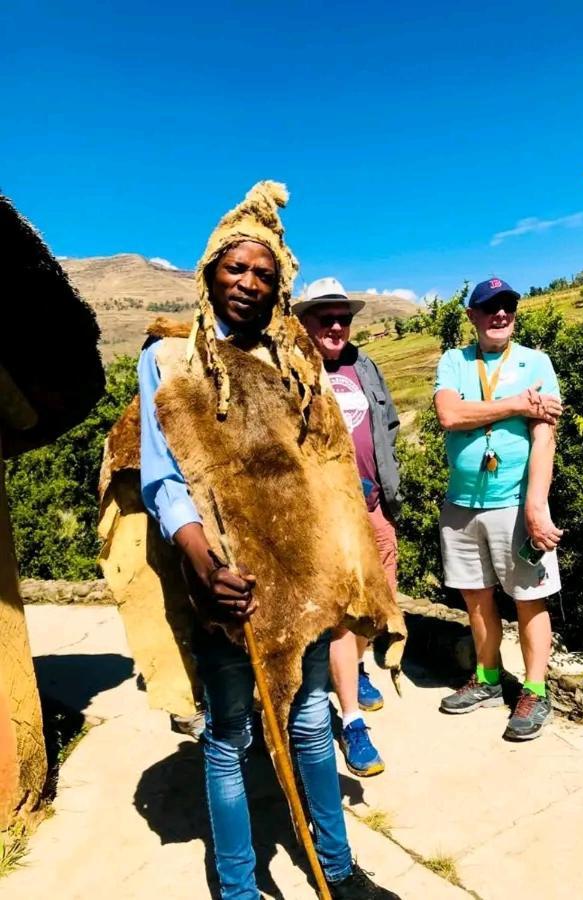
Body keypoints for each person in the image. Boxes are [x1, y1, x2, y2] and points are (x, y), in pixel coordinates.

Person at [137, 182, 401, 899]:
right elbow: (164, 480)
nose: (249, 284)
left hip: (303, 575)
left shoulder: (296, 362)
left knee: (312, 718)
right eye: (236, 269)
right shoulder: (170, 360)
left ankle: (339, 870)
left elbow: (327, 471)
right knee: (231, 734)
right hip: (227, 577)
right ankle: (239, 887)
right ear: (209, 273)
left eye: (264, 273)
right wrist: (201, 561)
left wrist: (346, 568)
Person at [434, 277, 563, 741]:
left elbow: (543, 436)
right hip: (460, 505)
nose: (500, 314)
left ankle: (534, 690)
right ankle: (488, 679)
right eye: (489, 307)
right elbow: (450, 415)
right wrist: (514, 404)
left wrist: (537, 504)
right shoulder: (454, 361)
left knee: (530, 599)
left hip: (514, 503)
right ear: (472, 316)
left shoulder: (536, 362)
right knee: (476, 597)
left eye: (507, 306)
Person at [293, 278, 401, 776]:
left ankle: (355, 668)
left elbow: (388, 424)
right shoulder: (292, 370)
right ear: (305, 323)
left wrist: (384, 477)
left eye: (343, 318)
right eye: (325, 318)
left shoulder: (365, 365)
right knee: (341, 609)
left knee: (380, 601)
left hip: (374, 503)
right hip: (325, 512)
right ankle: (352, 722)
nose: (336, 326)